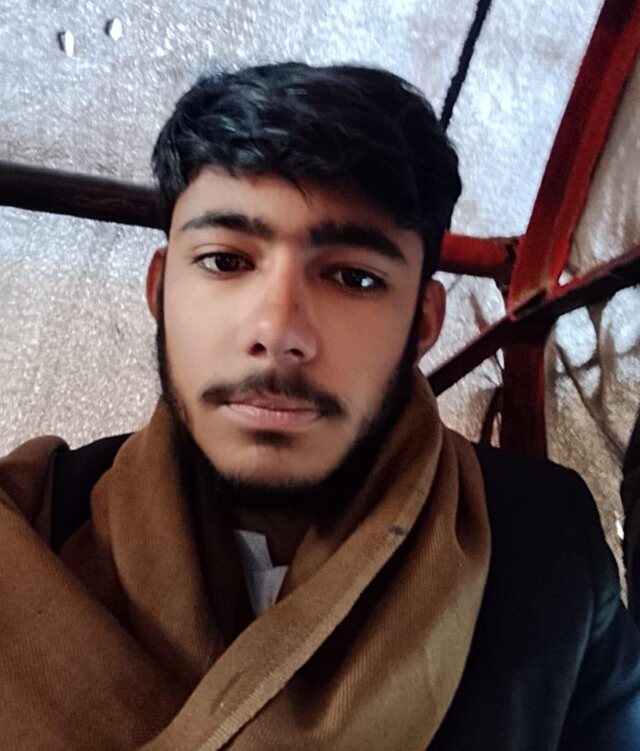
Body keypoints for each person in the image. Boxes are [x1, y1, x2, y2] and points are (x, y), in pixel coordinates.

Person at [1, 62, 639, 751]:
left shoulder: (546, 544)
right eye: (224, 261)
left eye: (354, 277)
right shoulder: (33, 531)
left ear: (423, 322)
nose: (278, 331)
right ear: (159, 290)